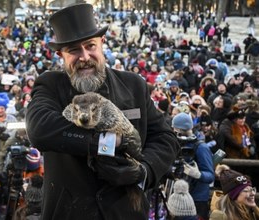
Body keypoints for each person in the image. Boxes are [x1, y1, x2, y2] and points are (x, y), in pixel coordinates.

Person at [25, 3, 180, 219]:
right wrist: (106, 143)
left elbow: (165, 138)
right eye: (74, 50)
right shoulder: (50, 85)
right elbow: (40, 128)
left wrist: (143, 171)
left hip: (126, 211)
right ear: (61, 54)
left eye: (90, 46)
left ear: (102, 43)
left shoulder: (134, 85)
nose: (85, 57)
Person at [171, 112, 214, 219]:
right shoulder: (175, 144)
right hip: (177, 197)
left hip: (197, 199)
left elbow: (210, 176)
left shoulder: (201, 147)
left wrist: (197, 174)